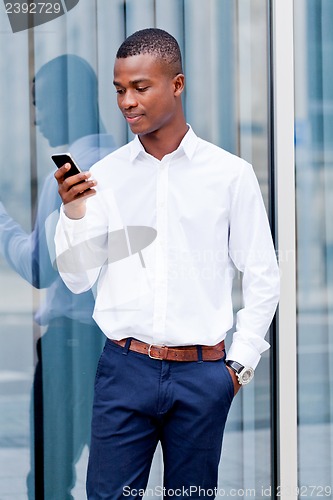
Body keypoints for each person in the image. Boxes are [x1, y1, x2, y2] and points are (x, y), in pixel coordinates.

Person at [54, 28, 280, 499]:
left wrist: (238, 365)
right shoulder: (107, 177)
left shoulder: (230, 175)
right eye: (119, 90)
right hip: (124, 369)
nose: (127, 102)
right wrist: (73, 213)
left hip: (203, 375)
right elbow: (77, 280)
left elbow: (262, 273)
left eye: (140, 87)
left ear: (177, 85)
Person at [0, 54, 116, 499]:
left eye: (39, 102)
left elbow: (38, 268)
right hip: (119, 346)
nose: (35, 119)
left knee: (50, 478)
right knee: (111, 476)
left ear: (67, 99)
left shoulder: (70, 172)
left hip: (70, 344)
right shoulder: (124, 160)